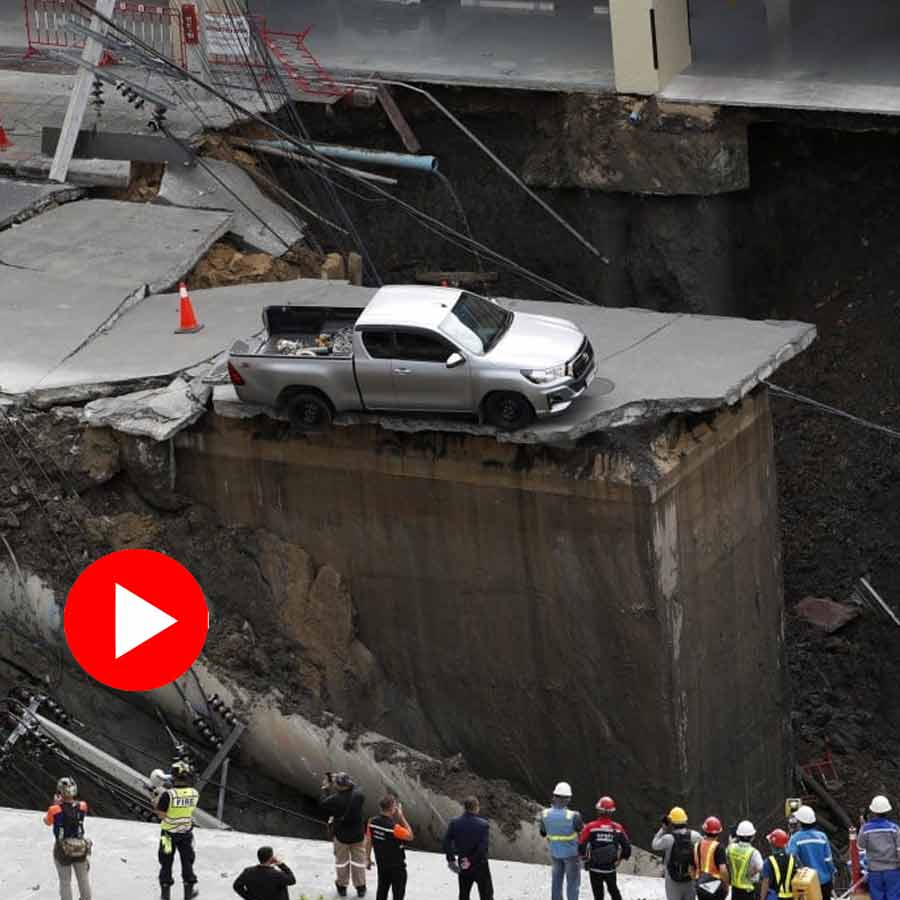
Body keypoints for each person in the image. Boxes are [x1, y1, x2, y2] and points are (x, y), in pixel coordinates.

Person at [154, 759, 200, 900]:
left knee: (166, 861)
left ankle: (165, 894)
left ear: (173, 777)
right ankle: (188, 892)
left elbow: (161, 814)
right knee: (187, 861)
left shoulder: (169, 795)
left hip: (168, 835)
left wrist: (156, 801)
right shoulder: (194, 793)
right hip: (185, 834)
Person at [44, 776, 92, 900]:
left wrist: (56, 804)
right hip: (80, 847)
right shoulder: (83, 806)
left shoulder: (54, 809)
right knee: (83, 879)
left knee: (65, 882)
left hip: (62, 848)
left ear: (60, 792)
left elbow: (47, 822)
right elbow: (75, 811)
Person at [320, 772, 367, 898]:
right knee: (358, 862)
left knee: (342, 862)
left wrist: (325, 788)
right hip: (358, 835)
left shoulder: (335, 799)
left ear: (339, 786)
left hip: (341, 836)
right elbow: (355, 787)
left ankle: (342, 887)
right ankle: (360, 888)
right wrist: (342, 779)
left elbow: (323, 803)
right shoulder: (359, 795)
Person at [578, 795, 632, 900]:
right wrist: (620, 860)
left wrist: (586, 859)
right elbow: (627, 848)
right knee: (614, 892)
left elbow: (581, 845)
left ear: (599, 810)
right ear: (611, 812)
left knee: (598, 895)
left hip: (594, 868)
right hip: (610, 869)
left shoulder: (590, 827)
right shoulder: (618, 828)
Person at [540, 781, 585, 900]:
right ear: (568, 799)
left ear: (554, 797)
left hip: (555, 853)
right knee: (573, 884)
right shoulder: (574, 815)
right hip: (571, 855)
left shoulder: (544, 814)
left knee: (556, 882)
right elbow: (582, 832)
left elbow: (543, 833)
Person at [443, 795, 493, 900]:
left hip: (463, 864)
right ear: (476, 807)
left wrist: (451, 860)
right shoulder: (483, 825)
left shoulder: (455, 822)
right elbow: (482, 848)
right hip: (480, 865)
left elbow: (446, 841)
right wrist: (470, 860)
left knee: (464, 894)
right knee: (486, 894)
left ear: (464, 807)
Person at [366, 795, 414, 900]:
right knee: (398, 894)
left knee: (382, 890)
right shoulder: (394, 828)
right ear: (392, 809)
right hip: (397, 867)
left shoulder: (371, 822)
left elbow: (369, 841)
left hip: (382, 864)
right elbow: (410, 836)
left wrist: (368, 858)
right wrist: (401, 817)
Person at [787, 805, 837, 900]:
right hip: (824, 880)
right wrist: (833, 872)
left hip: (806, 882)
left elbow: (790, 856)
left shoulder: (795, 838)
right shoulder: (822, 837)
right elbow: (828, 859)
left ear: (800, 822)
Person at [652, 806, 701, 900]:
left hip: (672, 879)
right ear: (685, 820)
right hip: (690, 878)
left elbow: (654, 844)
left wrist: (663, 829)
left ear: (671, 822)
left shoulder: (668, 838)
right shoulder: (696, 836)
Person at [857, 796, 900, 900]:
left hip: (874, 871)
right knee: (893, 896)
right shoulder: (894, 828)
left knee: (877, 897)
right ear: (887, 811)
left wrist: (862, 826)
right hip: (892, 870)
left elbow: (860, 846)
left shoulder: (866, 829)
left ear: (872, 811)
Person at [694, 816, 729, 900]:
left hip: (700, 886)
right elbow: (723, 870)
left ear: (705, 830)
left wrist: (698, 882)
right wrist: (726, 886)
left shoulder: (697, 845)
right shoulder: (719, 847)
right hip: (715, 888)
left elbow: (691, 868)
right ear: (718, 832)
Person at [727, 821, 763, 900]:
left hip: (735, 888)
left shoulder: (731, 848)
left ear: (738, 836)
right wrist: (751, 873)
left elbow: (727, 858)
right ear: (752, 837)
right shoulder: (754, 852)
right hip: (747, 890)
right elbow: (761, 868)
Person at [759, 829, 796, 900]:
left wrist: (762, 898)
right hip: (792, 896)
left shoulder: (768, 861)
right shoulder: (793, 858)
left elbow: (765, 883)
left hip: (775, 897)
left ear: (772, 845)